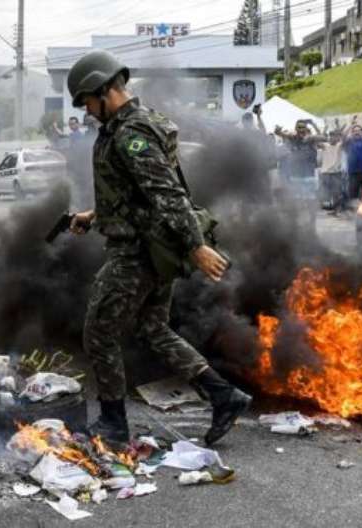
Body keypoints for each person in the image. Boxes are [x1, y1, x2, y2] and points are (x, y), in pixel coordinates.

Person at [64, 50, 251, 447]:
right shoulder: (130, 125)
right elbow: (133, 193)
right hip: (152, 246)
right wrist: (95, 215)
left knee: (99, 331)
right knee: (152, 329)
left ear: (103, 90)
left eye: (87, 102)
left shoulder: (131, 134)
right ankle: (224, 395)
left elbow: (166, 194)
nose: (87, 111)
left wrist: (195, 246)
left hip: (138, 252)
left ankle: (113, 424)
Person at [275, 119, 328, 228]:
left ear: (306, 129)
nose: (301, 130)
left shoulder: (311, 139)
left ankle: (312, 224)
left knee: (310, 202)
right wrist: (278, 130)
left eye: (303, 127)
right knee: (297, 202)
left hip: (309, 176)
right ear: (296, 129)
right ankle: (297, 224)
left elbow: (324, 137)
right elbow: (280, 133)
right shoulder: (293, 138)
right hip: (296, 176)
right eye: (299, 127)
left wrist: (313, 124)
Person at [344, 123, 362, 207]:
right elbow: (344, 137)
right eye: (354, 131)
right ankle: (355, 211)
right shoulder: (349, 142)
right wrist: (351, 126)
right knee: (353, 194)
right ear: (352, 133)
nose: (356, 132)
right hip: (353, 172)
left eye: (358, 131)